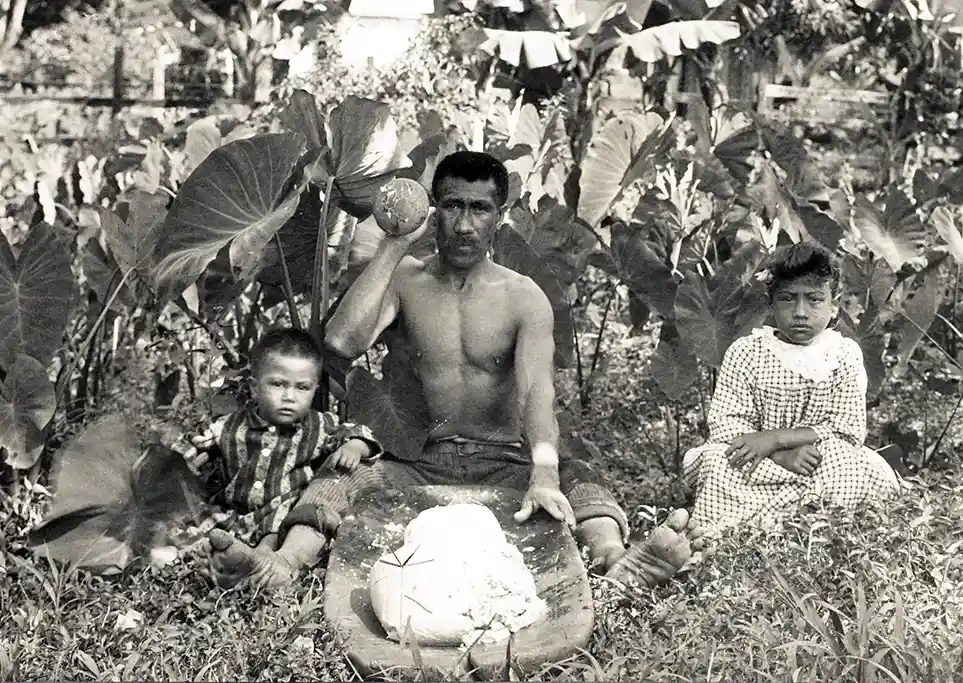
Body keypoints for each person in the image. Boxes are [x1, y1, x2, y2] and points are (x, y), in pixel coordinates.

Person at [206, 150, 707, 590]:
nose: (464, 225)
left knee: (582, 482)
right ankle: (281, 565)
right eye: (452, 206)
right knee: (336, 485)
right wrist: (393, 244)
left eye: (479, 209)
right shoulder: (404, 280)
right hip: (416, 460)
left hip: (503, 459)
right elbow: (341, 342)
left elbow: (537, 395)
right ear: (434, 209)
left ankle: (618, 561)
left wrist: (545, 474)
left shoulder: (523, 297)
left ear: (499, 216)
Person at [682, 243, 904, 532]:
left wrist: (777, 439)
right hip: (760, 463)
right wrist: (779, 454)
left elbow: (847, 428)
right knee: (717, 463)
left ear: (833, 303)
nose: (800, 312)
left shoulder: (843, 353)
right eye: (788, 299)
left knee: (847, 462)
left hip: (819, 462)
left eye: (813, 300)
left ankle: (816, 531)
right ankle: (732, 534)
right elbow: (726, 426)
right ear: (771, 304)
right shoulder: (747, 352)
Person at [165, 328, 384, 589]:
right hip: (234, 513)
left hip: (280, 519)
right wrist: (179, 462)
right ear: (254, 387)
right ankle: (214, 557)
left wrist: (356, 447)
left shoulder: (318, 426)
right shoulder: (228, 427)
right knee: (192, 524)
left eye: (302, 388)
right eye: (278, 384)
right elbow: (184, 451)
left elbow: (359, 431)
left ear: (315, 388)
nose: (289, 396)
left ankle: (260, 560)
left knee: (287, 509)